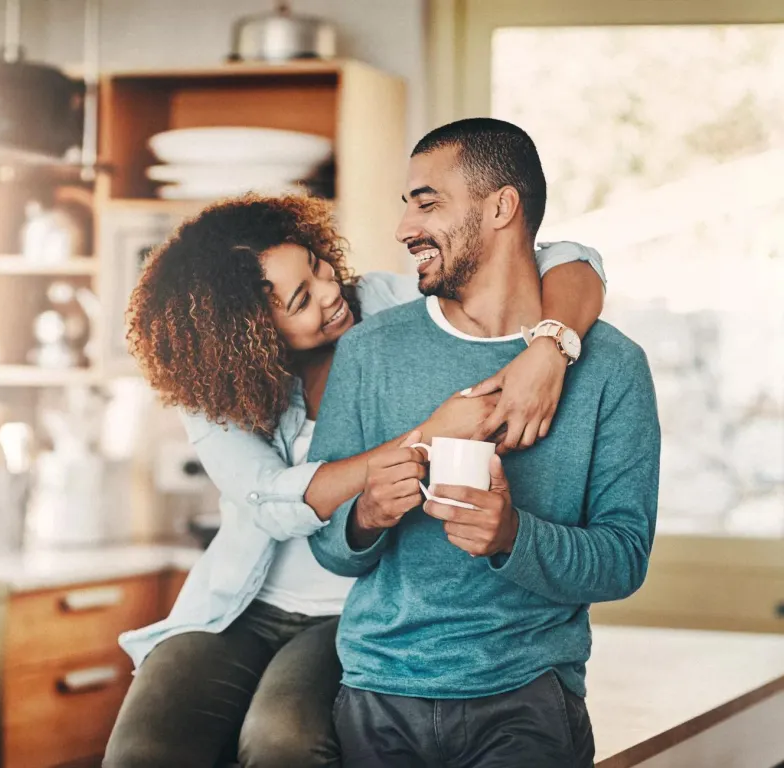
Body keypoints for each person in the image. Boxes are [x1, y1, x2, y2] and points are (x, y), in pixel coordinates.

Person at [104, 192, 607, 768]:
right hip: (239, 605)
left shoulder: (390, 302)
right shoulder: (214, 389)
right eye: (300, 300)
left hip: (358, 605)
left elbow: (572, 259)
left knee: (282, 740)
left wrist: (550, 346)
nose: (330, 295)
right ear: (248, 339)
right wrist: (426, 435)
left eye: (318, 267)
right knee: (142, 751)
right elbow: (272, 499)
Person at [307, 117, 661, 767]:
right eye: (406, 205)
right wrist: (366, 514)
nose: (403, 229)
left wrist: (511, 538)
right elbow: (329, 546)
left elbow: (623, 560)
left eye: (428, 202)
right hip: (379, 693)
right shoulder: (369, 351)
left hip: (528, 698)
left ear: (501, 206)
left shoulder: (612, 367)